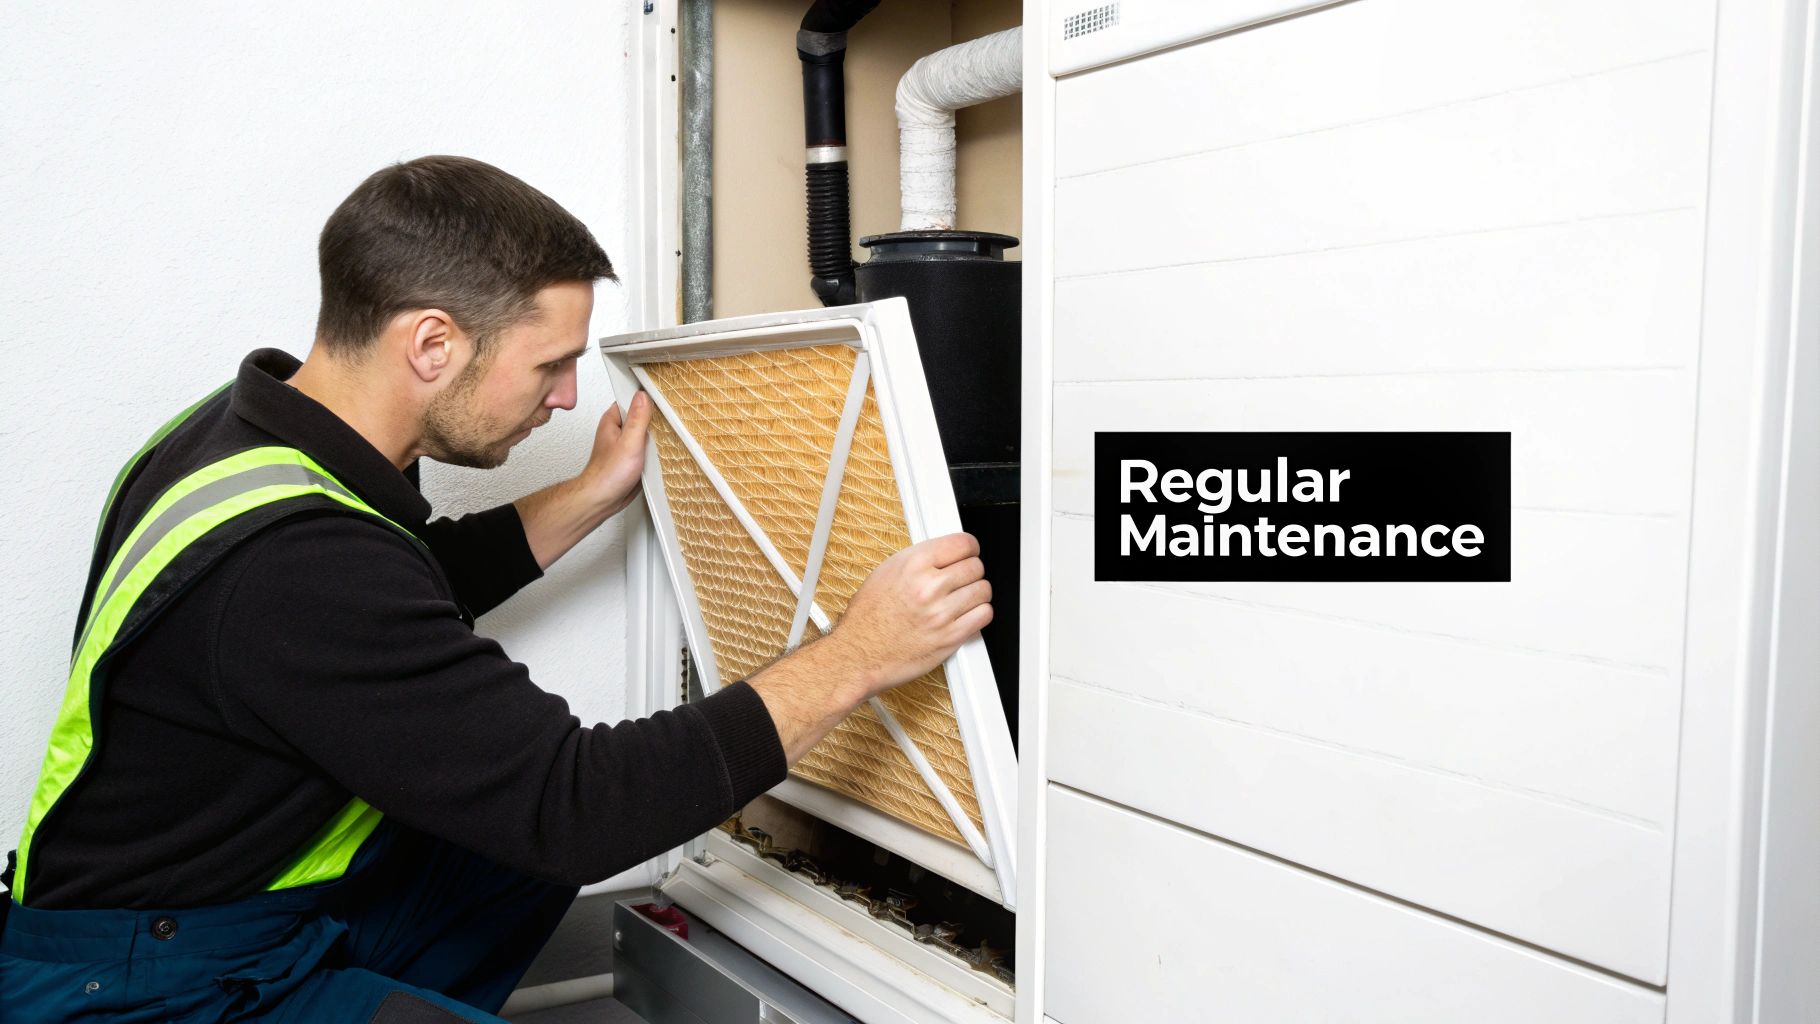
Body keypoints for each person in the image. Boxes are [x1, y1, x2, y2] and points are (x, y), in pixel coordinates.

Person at [0, 155, 992, 1022]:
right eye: (550, 363)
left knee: (510, 848)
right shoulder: (300, 565)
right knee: (543, 819)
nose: (565, 395)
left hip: (196, 909)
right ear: (432, 344)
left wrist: (588, 493)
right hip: (150, 988)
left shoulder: (239, 438)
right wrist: (858, 655)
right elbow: (577, 804)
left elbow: (394, 597)